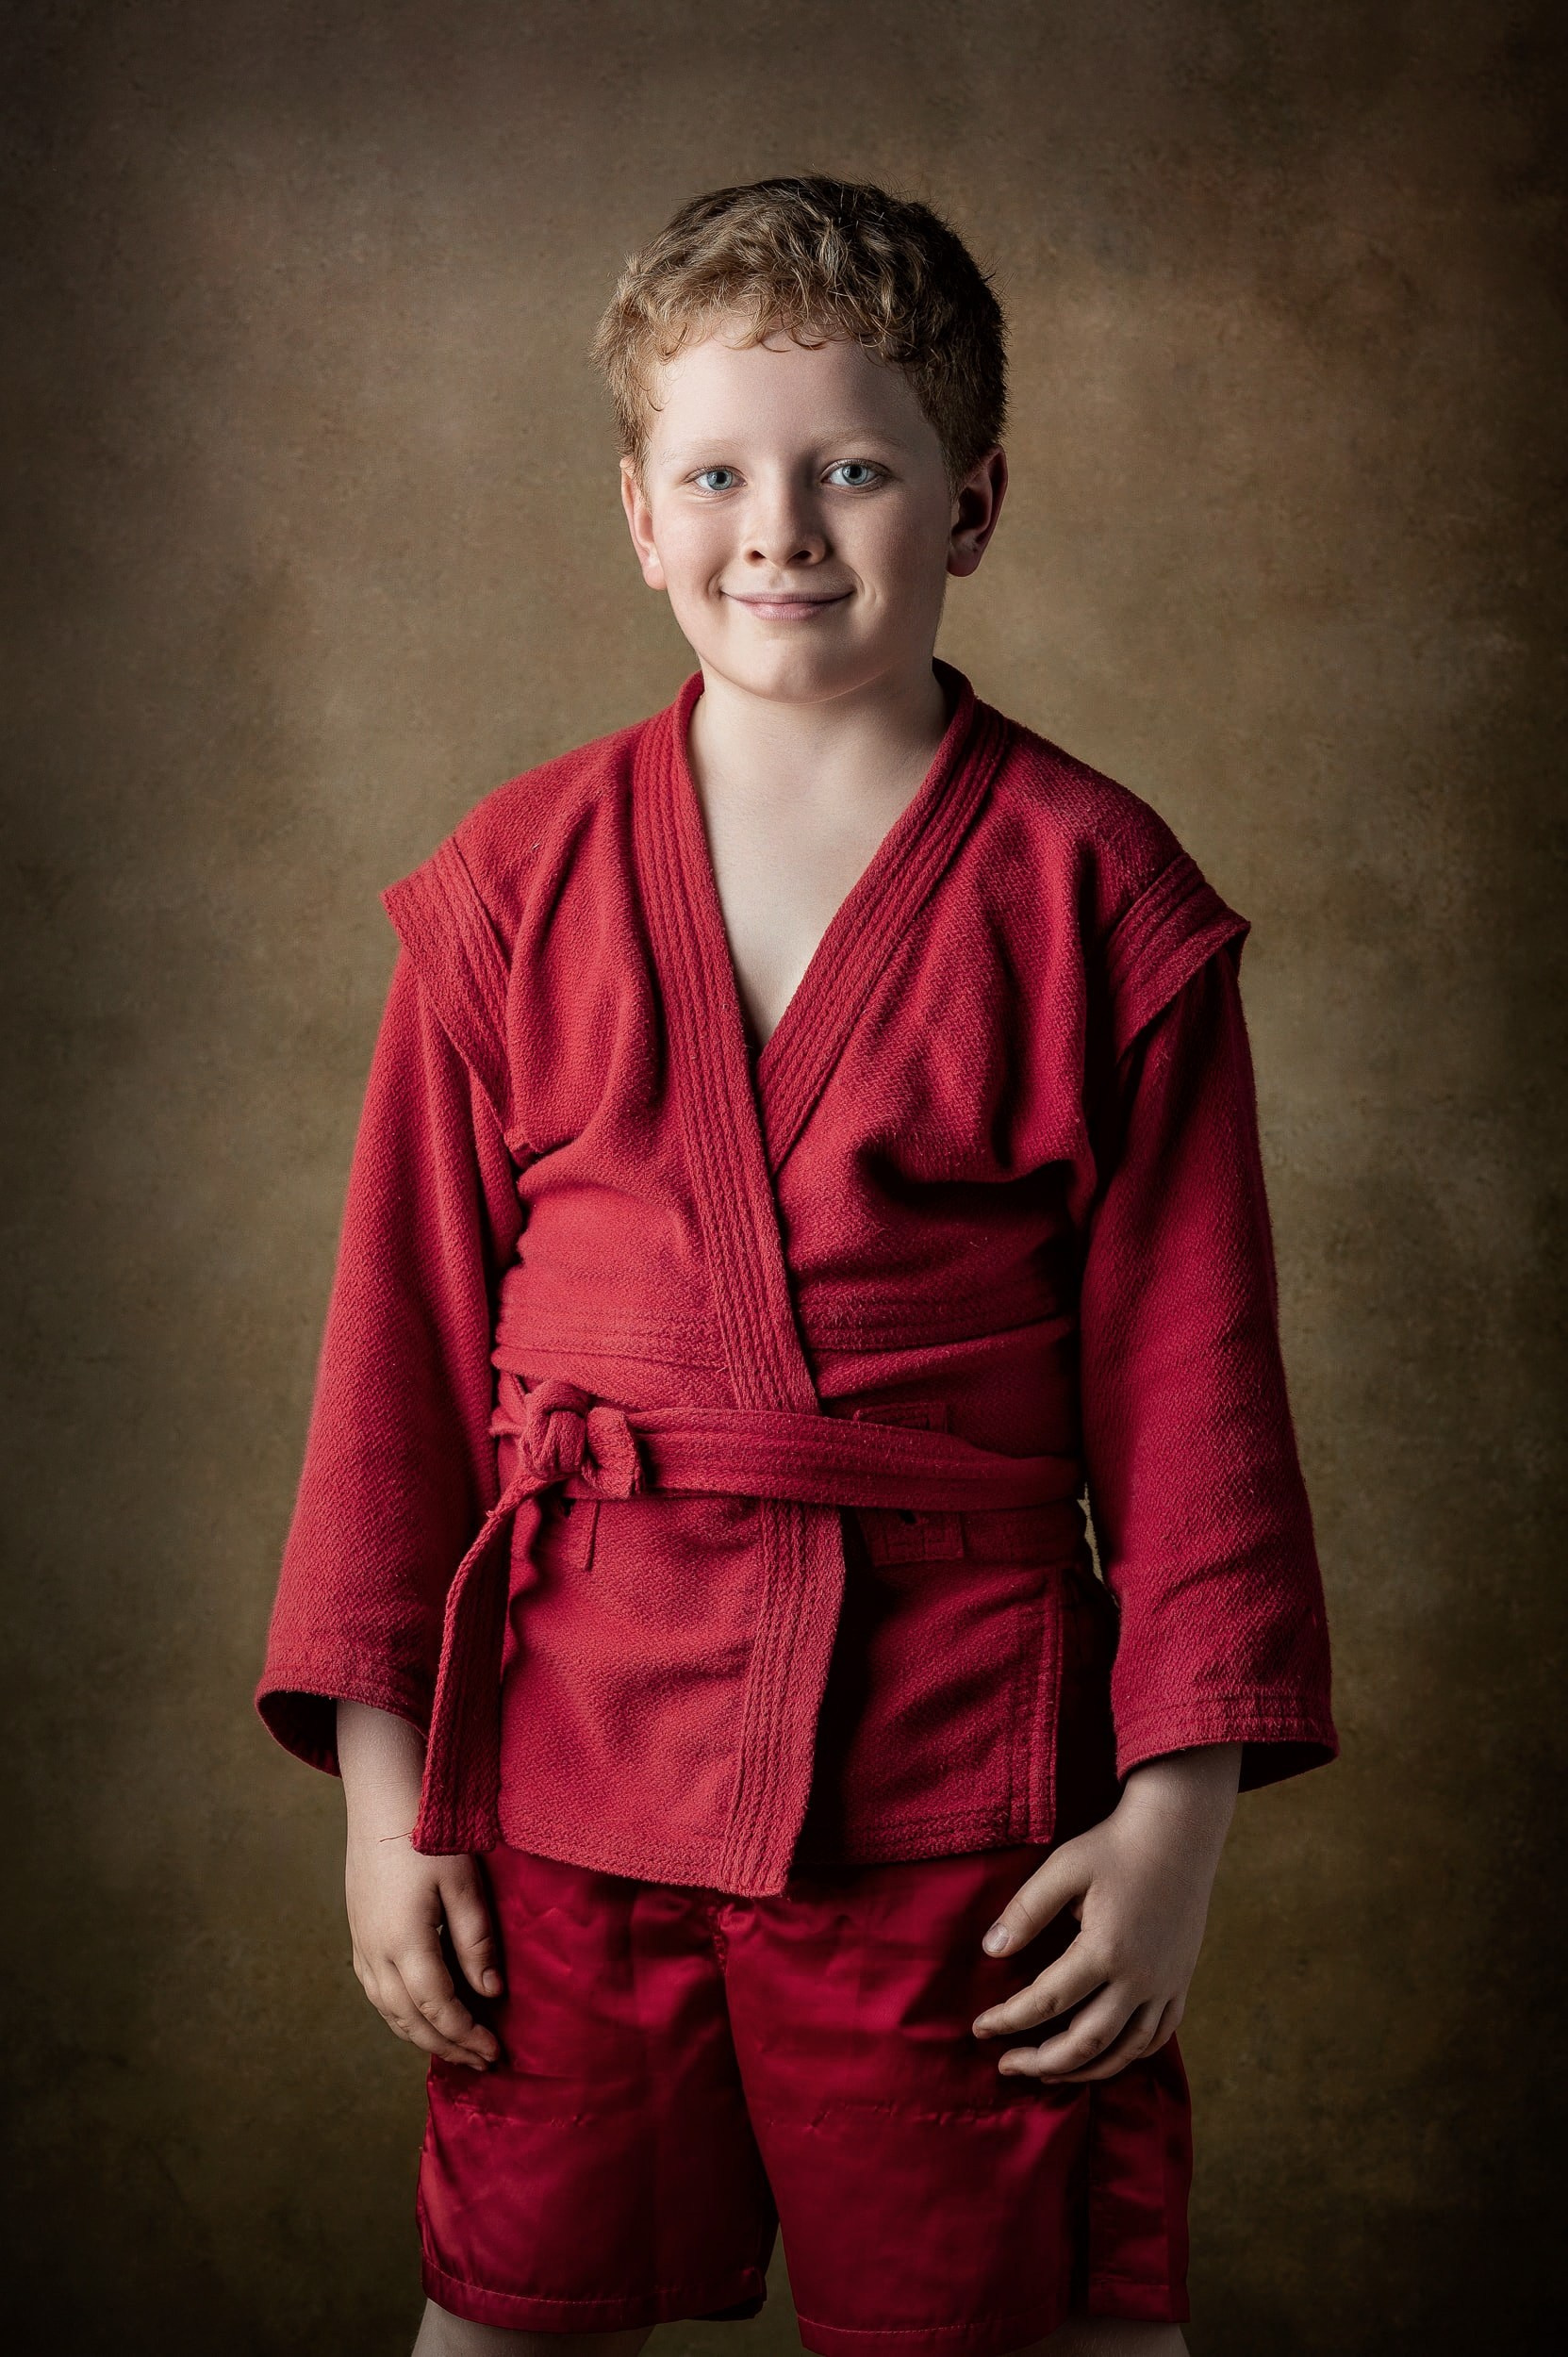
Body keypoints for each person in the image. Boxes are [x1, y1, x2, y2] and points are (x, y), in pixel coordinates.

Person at [256, 175, 1336, 2357]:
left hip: (956, 1784)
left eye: (851, 468)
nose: (781, 531)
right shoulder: (512, 883)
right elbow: (393, 1376)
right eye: (718, 476)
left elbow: (1197, 1405)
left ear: (972, 502)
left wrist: (1170, 1834)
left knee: (1020, 2315)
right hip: (564, 1768)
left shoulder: (1097, 895)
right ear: (636, 514)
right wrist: (390, 1809)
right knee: (506, 2311)